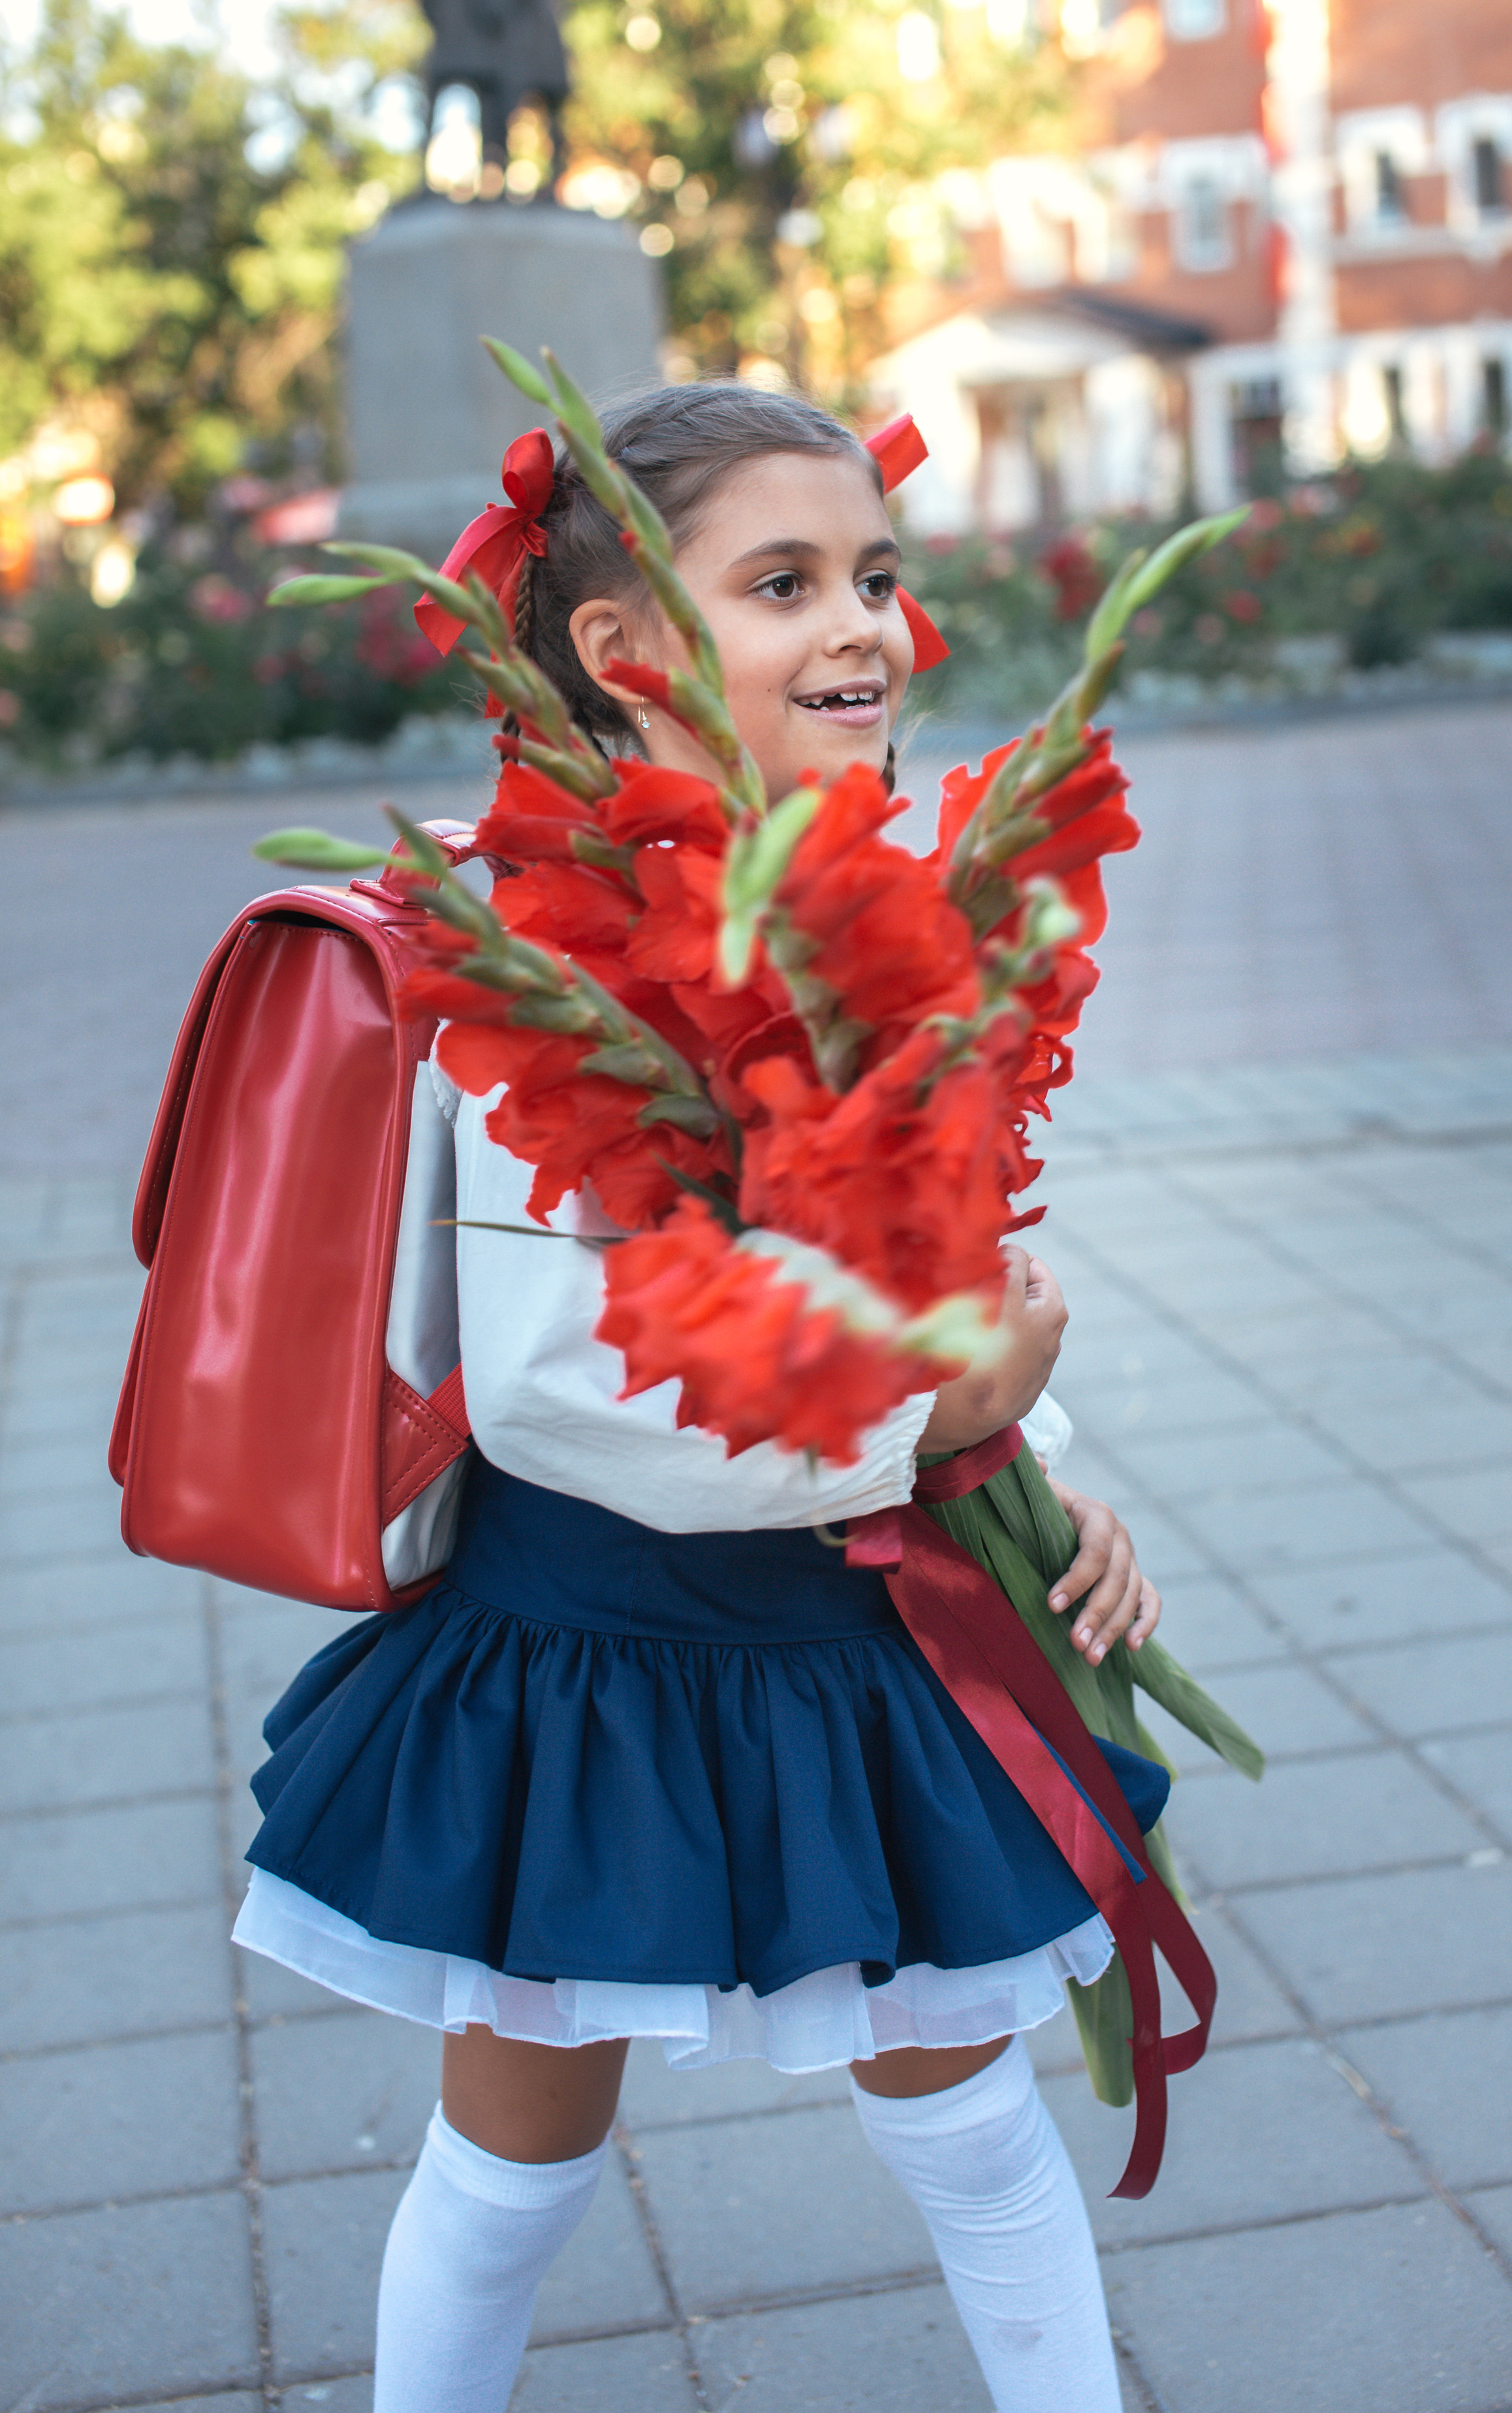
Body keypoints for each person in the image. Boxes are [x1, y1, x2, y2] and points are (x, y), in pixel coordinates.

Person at [233, 380, 1161, 2413]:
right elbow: (564, 1392)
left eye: (879, 576)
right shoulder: (525, 947)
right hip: (590, 1661)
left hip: (871, 1647)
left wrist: (1035, 1476)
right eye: (787, 583)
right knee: (510, 2166)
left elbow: (947, 1266)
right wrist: (943, 1420)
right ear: (624, 647)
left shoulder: (876, 901)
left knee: (979, 2133)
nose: (864, 629)